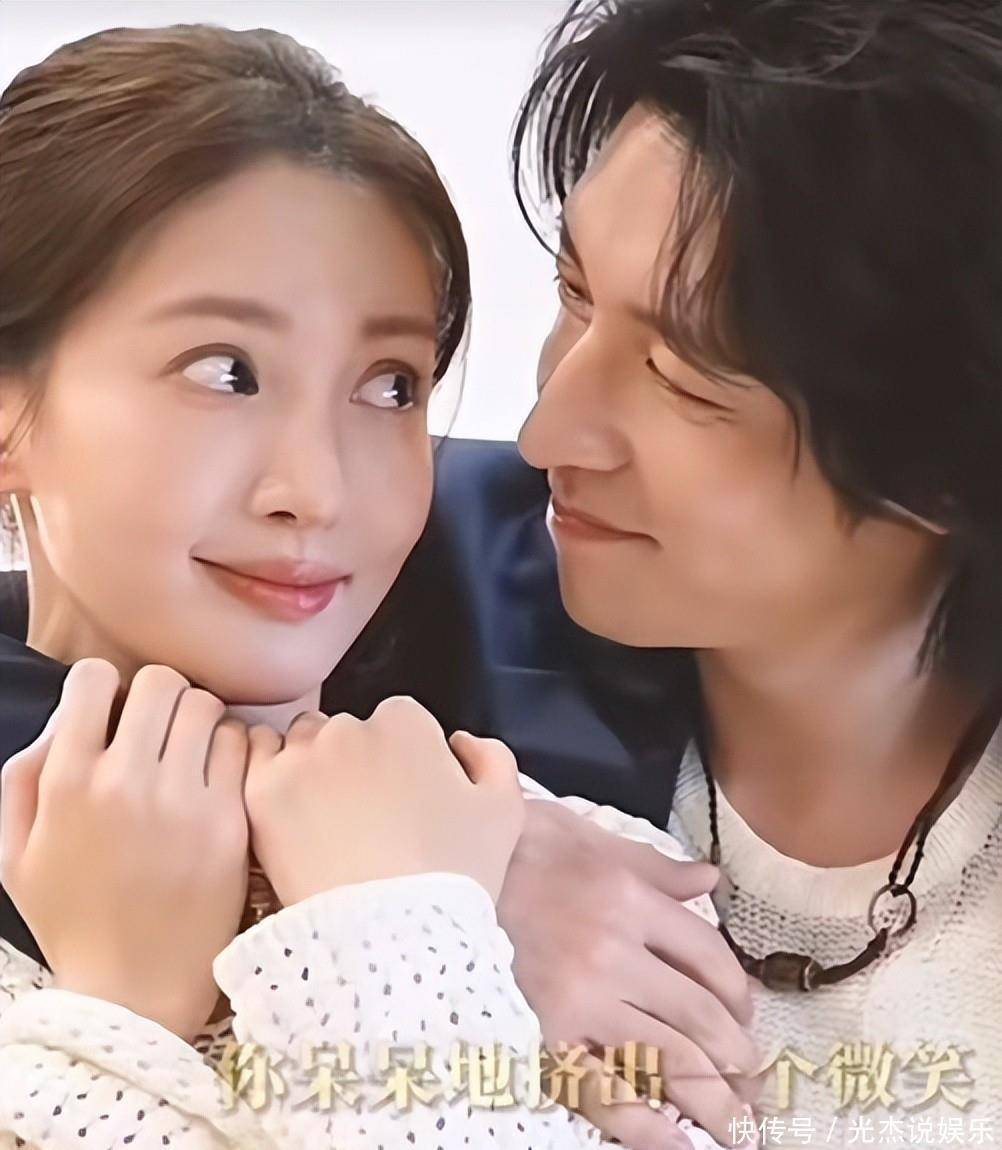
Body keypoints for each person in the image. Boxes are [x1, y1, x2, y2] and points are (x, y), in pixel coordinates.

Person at [0, 22, 752, 1150]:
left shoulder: (578, 863)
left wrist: (409, 925)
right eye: (226, 372)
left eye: (391, 385)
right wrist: (118, 1019)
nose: (317, 489)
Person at [506, 0, 1002, 1137]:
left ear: (948, 460)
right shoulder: (395, 591)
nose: (546, 432)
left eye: (683, 374)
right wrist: (434, 871)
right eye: (575, 295)